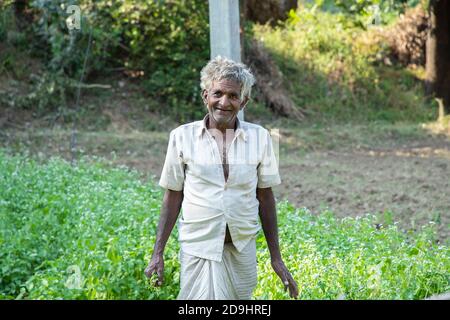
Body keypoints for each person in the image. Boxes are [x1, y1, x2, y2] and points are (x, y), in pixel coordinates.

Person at [144, 56, 298, 300]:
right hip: (198, 248)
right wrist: (157, 253)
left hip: (241, 249)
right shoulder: (181, 137)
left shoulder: (262, 138)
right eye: (217, 93)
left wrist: (276, 257)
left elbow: (265, 197)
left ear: (243, 101)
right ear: (206, 96)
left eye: (233, 96)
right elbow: (173, 196)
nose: (224, 102)